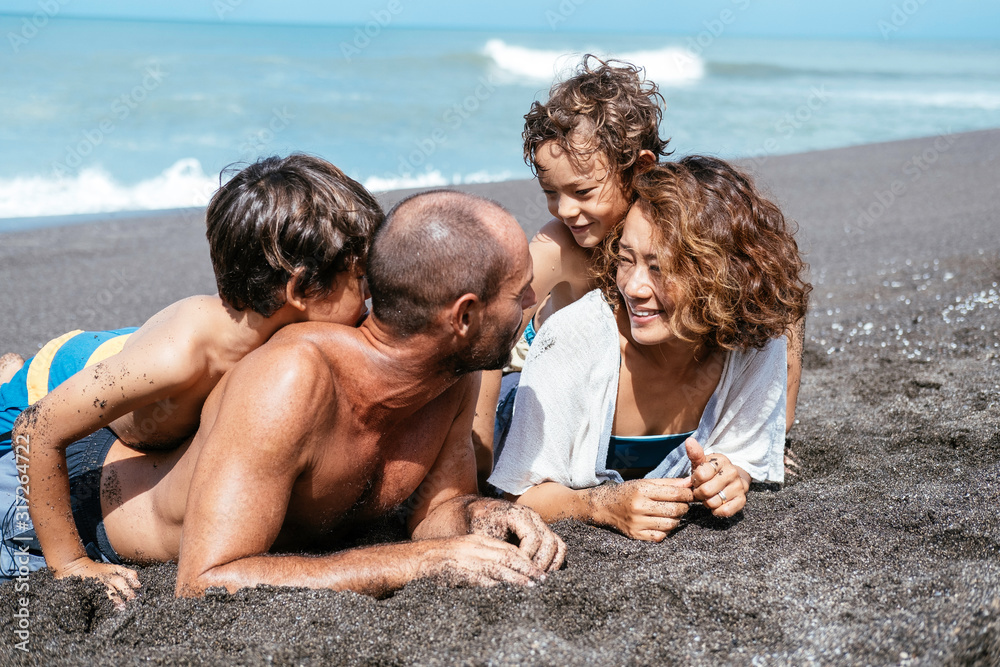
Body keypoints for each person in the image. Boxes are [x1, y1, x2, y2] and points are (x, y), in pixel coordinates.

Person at [8, 190, 565, 603]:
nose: (535, 300)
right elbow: (206, 580)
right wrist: (421, 561)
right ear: (464, 316)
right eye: (520, 295)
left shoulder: (453, 374)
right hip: (80, 505)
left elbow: (435, 512)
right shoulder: (292, 379)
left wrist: (486, 517)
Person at [0, 154, 382, 589]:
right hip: (42, 387)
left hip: (121, 352)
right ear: (298, 289)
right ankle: (12, 371)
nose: (368, 301)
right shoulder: (180, 360)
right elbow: (36, 429)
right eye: (361, 282)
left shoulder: (267, 339)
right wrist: (70, 563)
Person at [471, 56, 805, 487]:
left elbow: (780, 305)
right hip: (538, 371)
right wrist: (477, 445)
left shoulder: (674, 222)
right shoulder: (562, 246)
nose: (565, 209)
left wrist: (775, 426)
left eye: (583, 191)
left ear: (642, 167)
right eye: (551, 193)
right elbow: (490, 324)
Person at [488, 157, 811, 542]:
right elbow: (518, 493)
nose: (635, 288)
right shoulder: (575, 341)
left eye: (658, 269)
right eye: (626, 260)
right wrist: (602, 506)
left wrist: (727, 476)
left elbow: (740, 457)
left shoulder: (754, 343)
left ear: (720, 274)